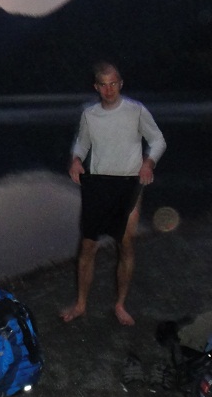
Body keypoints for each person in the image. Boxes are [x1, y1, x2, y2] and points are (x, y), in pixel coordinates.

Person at [60, 61, 166, 326]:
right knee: (87, 246)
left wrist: (148, 163)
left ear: (121, 84)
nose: (109, 90)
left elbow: (158, 140)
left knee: (125, 244)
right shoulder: (89, 115)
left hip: (129, 184)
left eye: (113, 84)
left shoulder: (136, 111)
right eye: (103, 85)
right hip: (97, 184)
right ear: (96, 87)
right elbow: (82, 143)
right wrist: (75, 160)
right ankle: (81, 304)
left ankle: (120, 304)